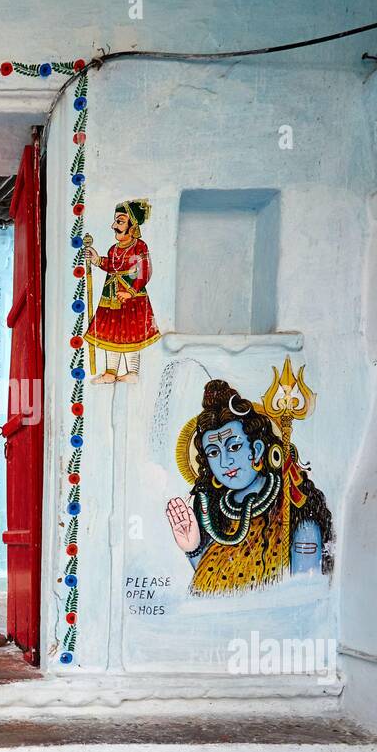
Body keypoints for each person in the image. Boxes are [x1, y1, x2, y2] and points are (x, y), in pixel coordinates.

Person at [165, 379, 333, 594]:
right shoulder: (215, 517)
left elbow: (303, 598)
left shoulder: (295, 516)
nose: (225, 462)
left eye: (234, 446)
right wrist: (194, 549)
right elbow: (213, 590)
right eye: (214, 453)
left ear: (257, 449)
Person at [83, 199, 160, 383]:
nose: (114, 226)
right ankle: (110, 372)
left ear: (132, 226)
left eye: (120, 221)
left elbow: (144, 272)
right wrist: (97, 260)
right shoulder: (113, 249)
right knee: (112, 334)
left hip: (132, 298)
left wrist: (130, 292)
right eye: (115, 221)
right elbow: (112, 266)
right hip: (111, 296)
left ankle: (132, 372)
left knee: (130, 334)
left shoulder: (139, 246)